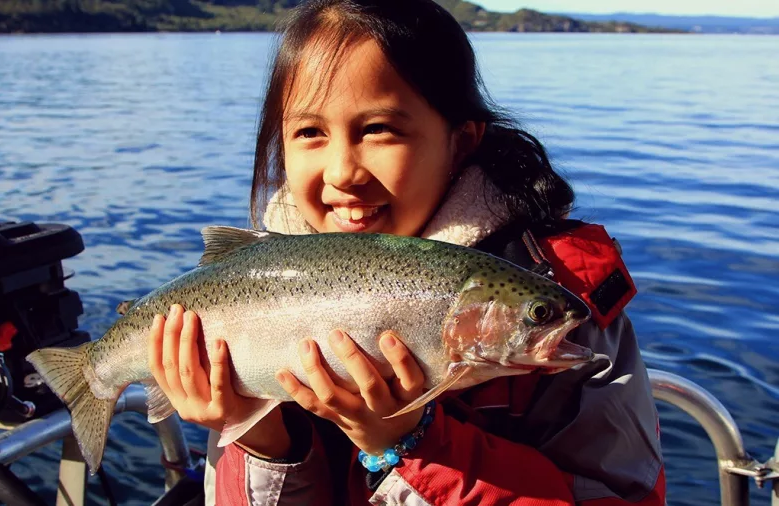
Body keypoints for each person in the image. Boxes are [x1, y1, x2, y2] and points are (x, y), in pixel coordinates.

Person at [146, 0, 666, 504]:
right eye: (309, 133)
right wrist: (260, 437)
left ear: (460, 142)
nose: (342, 172)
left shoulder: (573, 309)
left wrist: (413, 442)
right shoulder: (251, 299)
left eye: (378, 130)